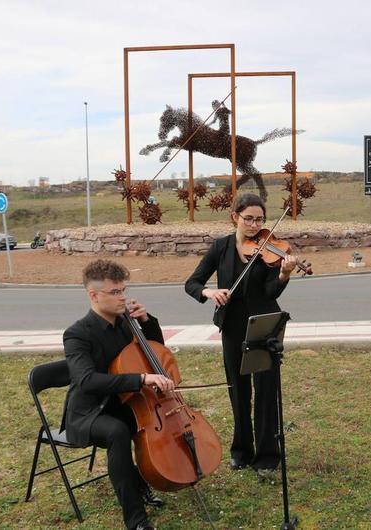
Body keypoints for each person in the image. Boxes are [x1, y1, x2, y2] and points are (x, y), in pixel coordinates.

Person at [185, 193, 298, 478]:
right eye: (249, 218)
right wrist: (209, 292)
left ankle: (268, 455)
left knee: (266, 390)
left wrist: (283, 275)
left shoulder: (270, 247)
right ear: (235, 216)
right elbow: (192, 283)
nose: (255, 225)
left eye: (260, 219)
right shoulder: (220, 247)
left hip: (264, 324)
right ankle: (242, 451)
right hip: (233, 327)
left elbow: (271, 291)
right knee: (238, 390)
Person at [62, 259, 174, 530]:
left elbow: (155, 348)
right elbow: (87, 380)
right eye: (115, 292)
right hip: (89, 412)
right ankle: (135, 519)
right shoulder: (77, 334)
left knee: (144, 421)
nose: (122, 297)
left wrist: (146, 321)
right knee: (118, 430)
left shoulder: (127, 322)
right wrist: (141, 379)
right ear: (93, 295)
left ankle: (143, 480)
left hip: (125, 401)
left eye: (123, 290)